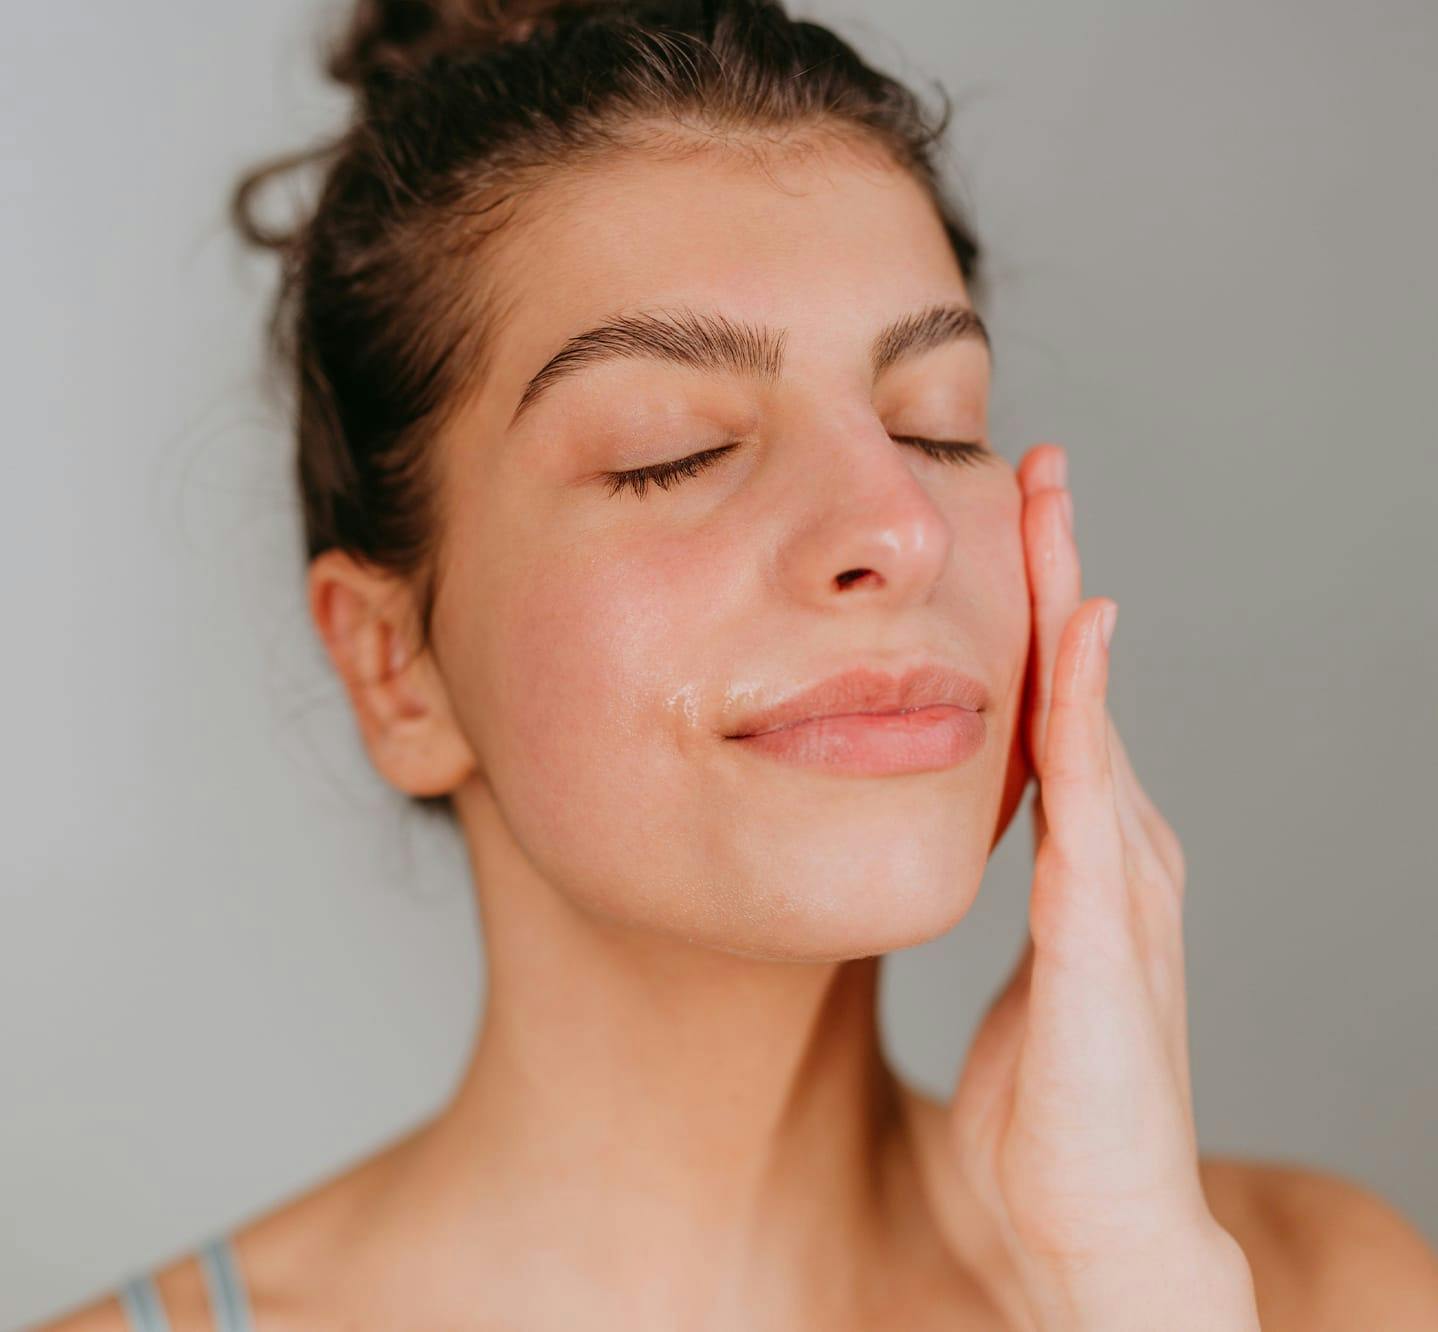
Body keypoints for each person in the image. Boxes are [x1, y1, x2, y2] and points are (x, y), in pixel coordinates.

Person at [38, 0, 1438, 1328]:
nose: (893, 525)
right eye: (674, 449)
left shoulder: (1318, 1293)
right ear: (396, 666)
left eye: (935, 422)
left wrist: (1131, 1287)